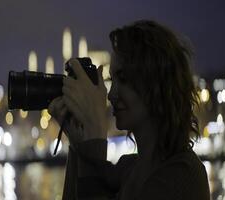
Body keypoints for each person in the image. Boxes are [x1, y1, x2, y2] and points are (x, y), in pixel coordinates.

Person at [48, 20, 210, 200]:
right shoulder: (129, 168)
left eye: (123, 79)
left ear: (157, 85)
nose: (111, 95)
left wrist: (95, 132)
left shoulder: (183, 175)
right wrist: (77, 146)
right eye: (112, 80)